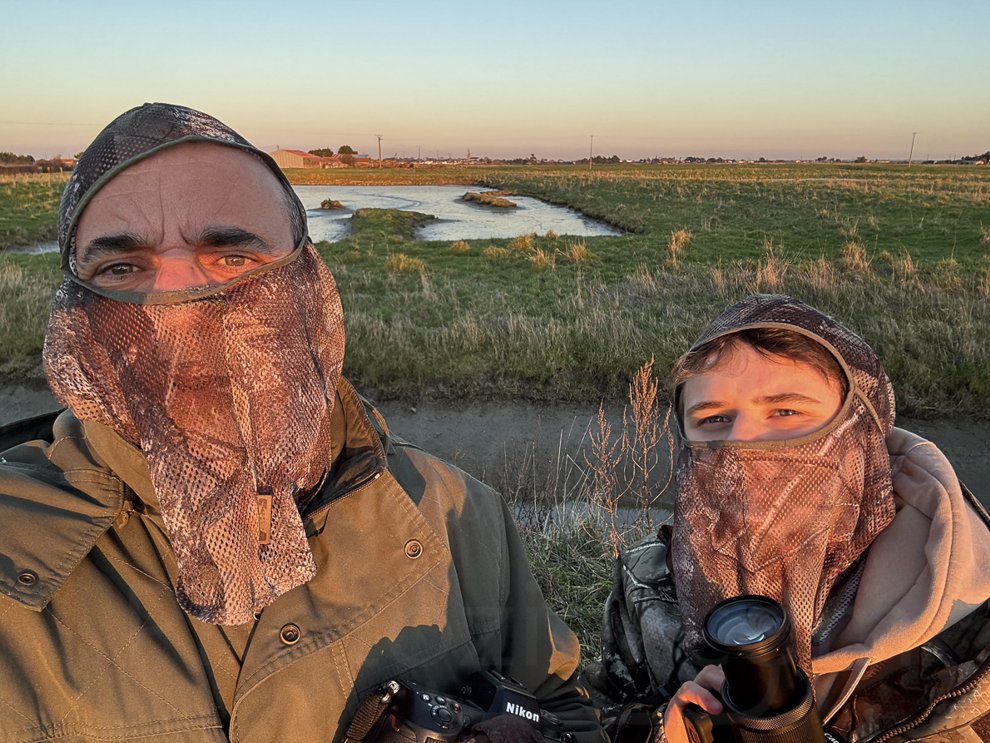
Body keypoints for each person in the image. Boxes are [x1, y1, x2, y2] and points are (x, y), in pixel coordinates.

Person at [0, 103, 607, 743]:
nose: (171, 315)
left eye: (231, 257)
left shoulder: (458, 516)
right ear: (74, 314)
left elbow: (560, 702)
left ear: (307, 286)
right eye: (122, 269)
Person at [587, 294, 990, 742]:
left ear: (861, 430)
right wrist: (662, 728)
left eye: (785, 411)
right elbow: (600, 710)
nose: (741, 442)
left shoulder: (968, 612)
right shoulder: (650, 579)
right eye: (714, 418)